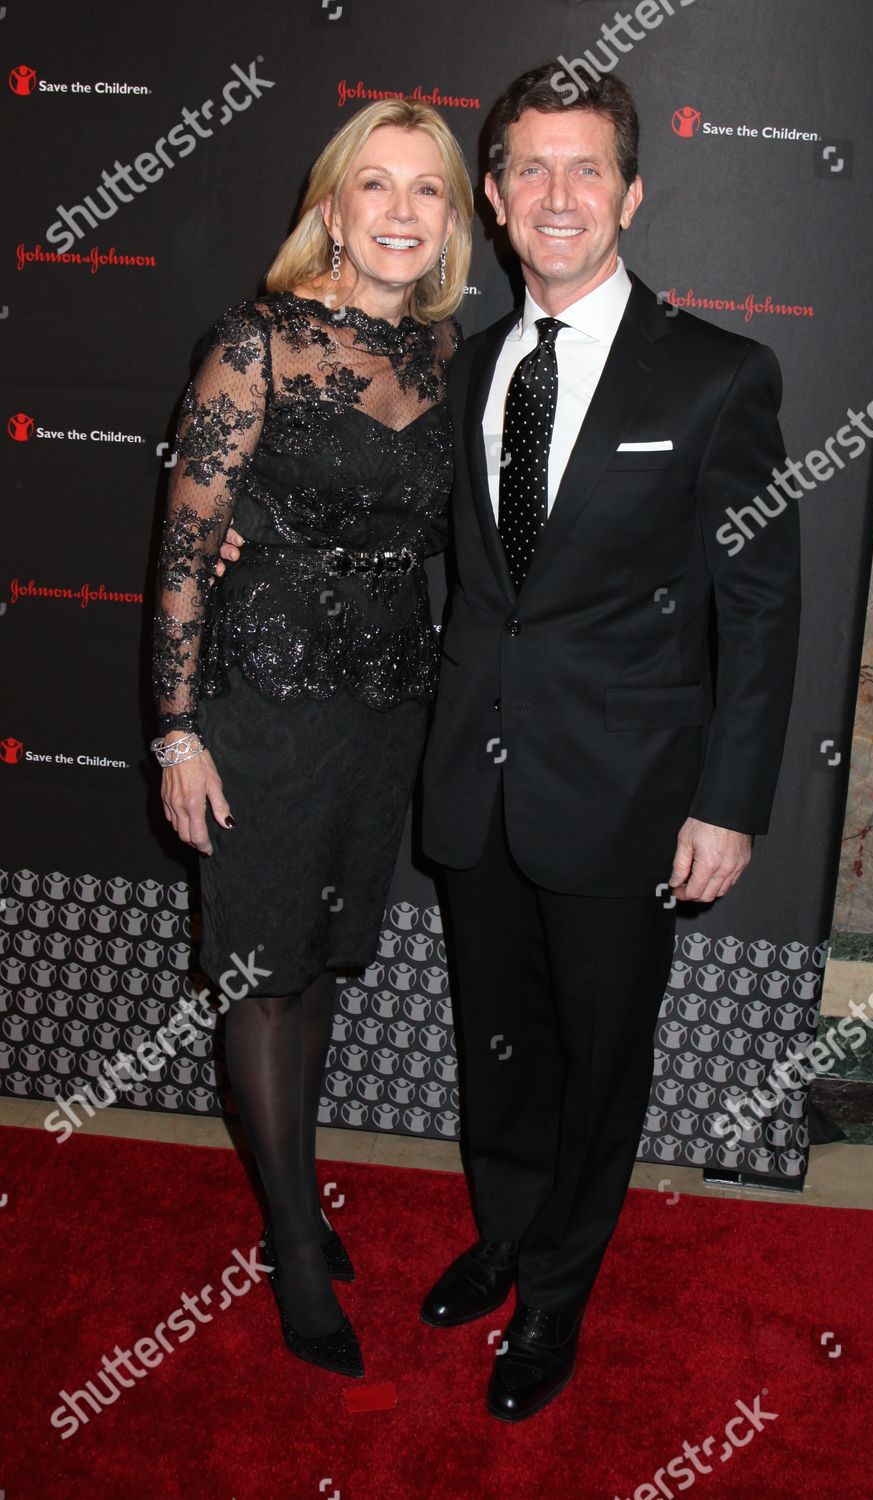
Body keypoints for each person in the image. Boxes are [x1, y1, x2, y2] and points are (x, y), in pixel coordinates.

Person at [416, 64, 801, 1421]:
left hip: (629, 795)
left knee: (597, 1060)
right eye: (531, 167)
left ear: (631, 195)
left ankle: (558, 1293)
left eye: (588, 168)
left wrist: (730, 803)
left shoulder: (716, 374)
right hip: (477, 786)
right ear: (495, 197)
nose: (559, 194)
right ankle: (507, 1233)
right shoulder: (473, 367)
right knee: (498, 1044)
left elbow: (759, 608)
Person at [150, 98, 472, 1379]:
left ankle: (297, 1189)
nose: (400, 211)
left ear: (452, 219)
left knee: (325, 962)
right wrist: (176, 731)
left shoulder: (448, 357)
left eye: (427, 189)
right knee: (264, 975)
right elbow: (185, 550)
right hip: (263, 697)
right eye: (374, 185)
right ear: (331, 209)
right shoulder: (256, 345)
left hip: (388, 702)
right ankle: (290, 1238)